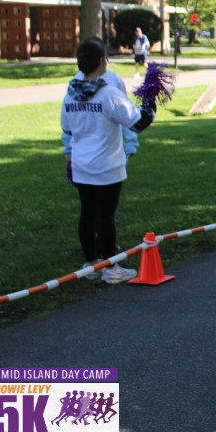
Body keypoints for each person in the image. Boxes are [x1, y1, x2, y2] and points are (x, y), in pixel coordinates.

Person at [61, 38, 155, 284]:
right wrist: (150, 100)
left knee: (87, 213)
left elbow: (66, 127)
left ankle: (92, 263)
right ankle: (111, 267)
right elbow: (138, 122)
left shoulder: (70, 93)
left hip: (81, 164)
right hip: (106, 165)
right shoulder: (108, 93)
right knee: (105, 216)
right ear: (103, 62)